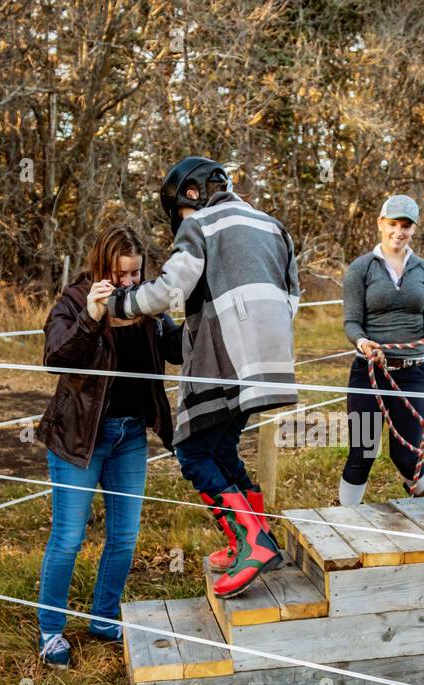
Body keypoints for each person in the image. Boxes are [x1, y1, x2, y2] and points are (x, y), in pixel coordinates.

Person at [106, 156, 298, 599]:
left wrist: (119, 303)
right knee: (221, 446)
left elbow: (167, 292)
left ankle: (251, 545)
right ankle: (256, 537)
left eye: (178, 213)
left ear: (190, 195)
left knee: (192, 452)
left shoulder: (202, 225)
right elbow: (292, 296)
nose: (179, 224)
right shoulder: (273, 226)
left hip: (223, 359)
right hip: (269, 364)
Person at [34, 224, 183, 668]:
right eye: (121, 274)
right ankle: (51, 629)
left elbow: (174, 349)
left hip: (130, 435)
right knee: (68, 536)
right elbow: (55, 357)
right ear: (103, 266)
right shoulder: (75, 299)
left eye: (136, 274)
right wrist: (91, 317)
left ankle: (102, 619)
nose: (128, 283)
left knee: (123, 536)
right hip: (80, 438)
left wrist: (199, 315)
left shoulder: (147, 303)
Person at [338, 194, 424, 505]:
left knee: (407, 456)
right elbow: (352, 322)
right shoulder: (360, 269)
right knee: (362, 452)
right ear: (381, 223)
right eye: (392, 224)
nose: (398, 232)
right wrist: (363, 342)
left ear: (414, 229)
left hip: (413, 374)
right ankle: (345, 523)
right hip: (369, 374)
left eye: (406, 225)